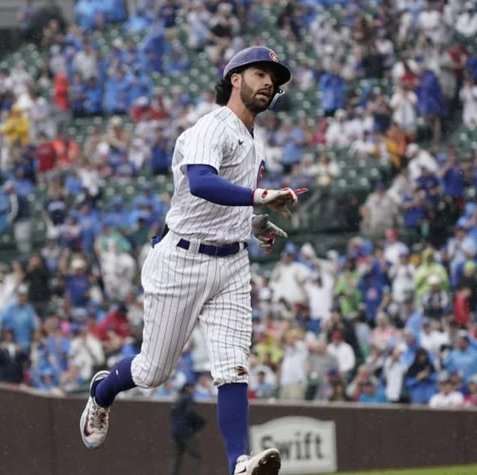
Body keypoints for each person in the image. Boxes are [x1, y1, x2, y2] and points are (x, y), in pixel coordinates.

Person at [79, 46, 305, 475]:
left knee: (233, 367)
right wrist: (259, 198)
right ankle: (103, 391)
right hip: (182, 259)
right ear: (235, 78)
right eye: (260, 73)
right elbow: (201, 183)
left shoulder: (253, 140)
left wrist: (254, 224)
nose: (269, 82)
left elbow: (226, 204)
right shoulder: (211, 127)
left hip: (232, 264)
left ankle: (239, 462)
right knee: (152, 371)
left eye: (274, 78)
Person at [170, 383, 206, 475]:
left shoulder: (178, 399)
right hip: (186, 431)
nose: (193, 390)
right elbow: (190, 414)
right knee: (196, 456)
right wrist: (200, 421)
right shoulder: (188, 399)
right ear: (188, 389)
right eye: (192, 388)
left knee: (177, 457)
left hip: (176, 431)